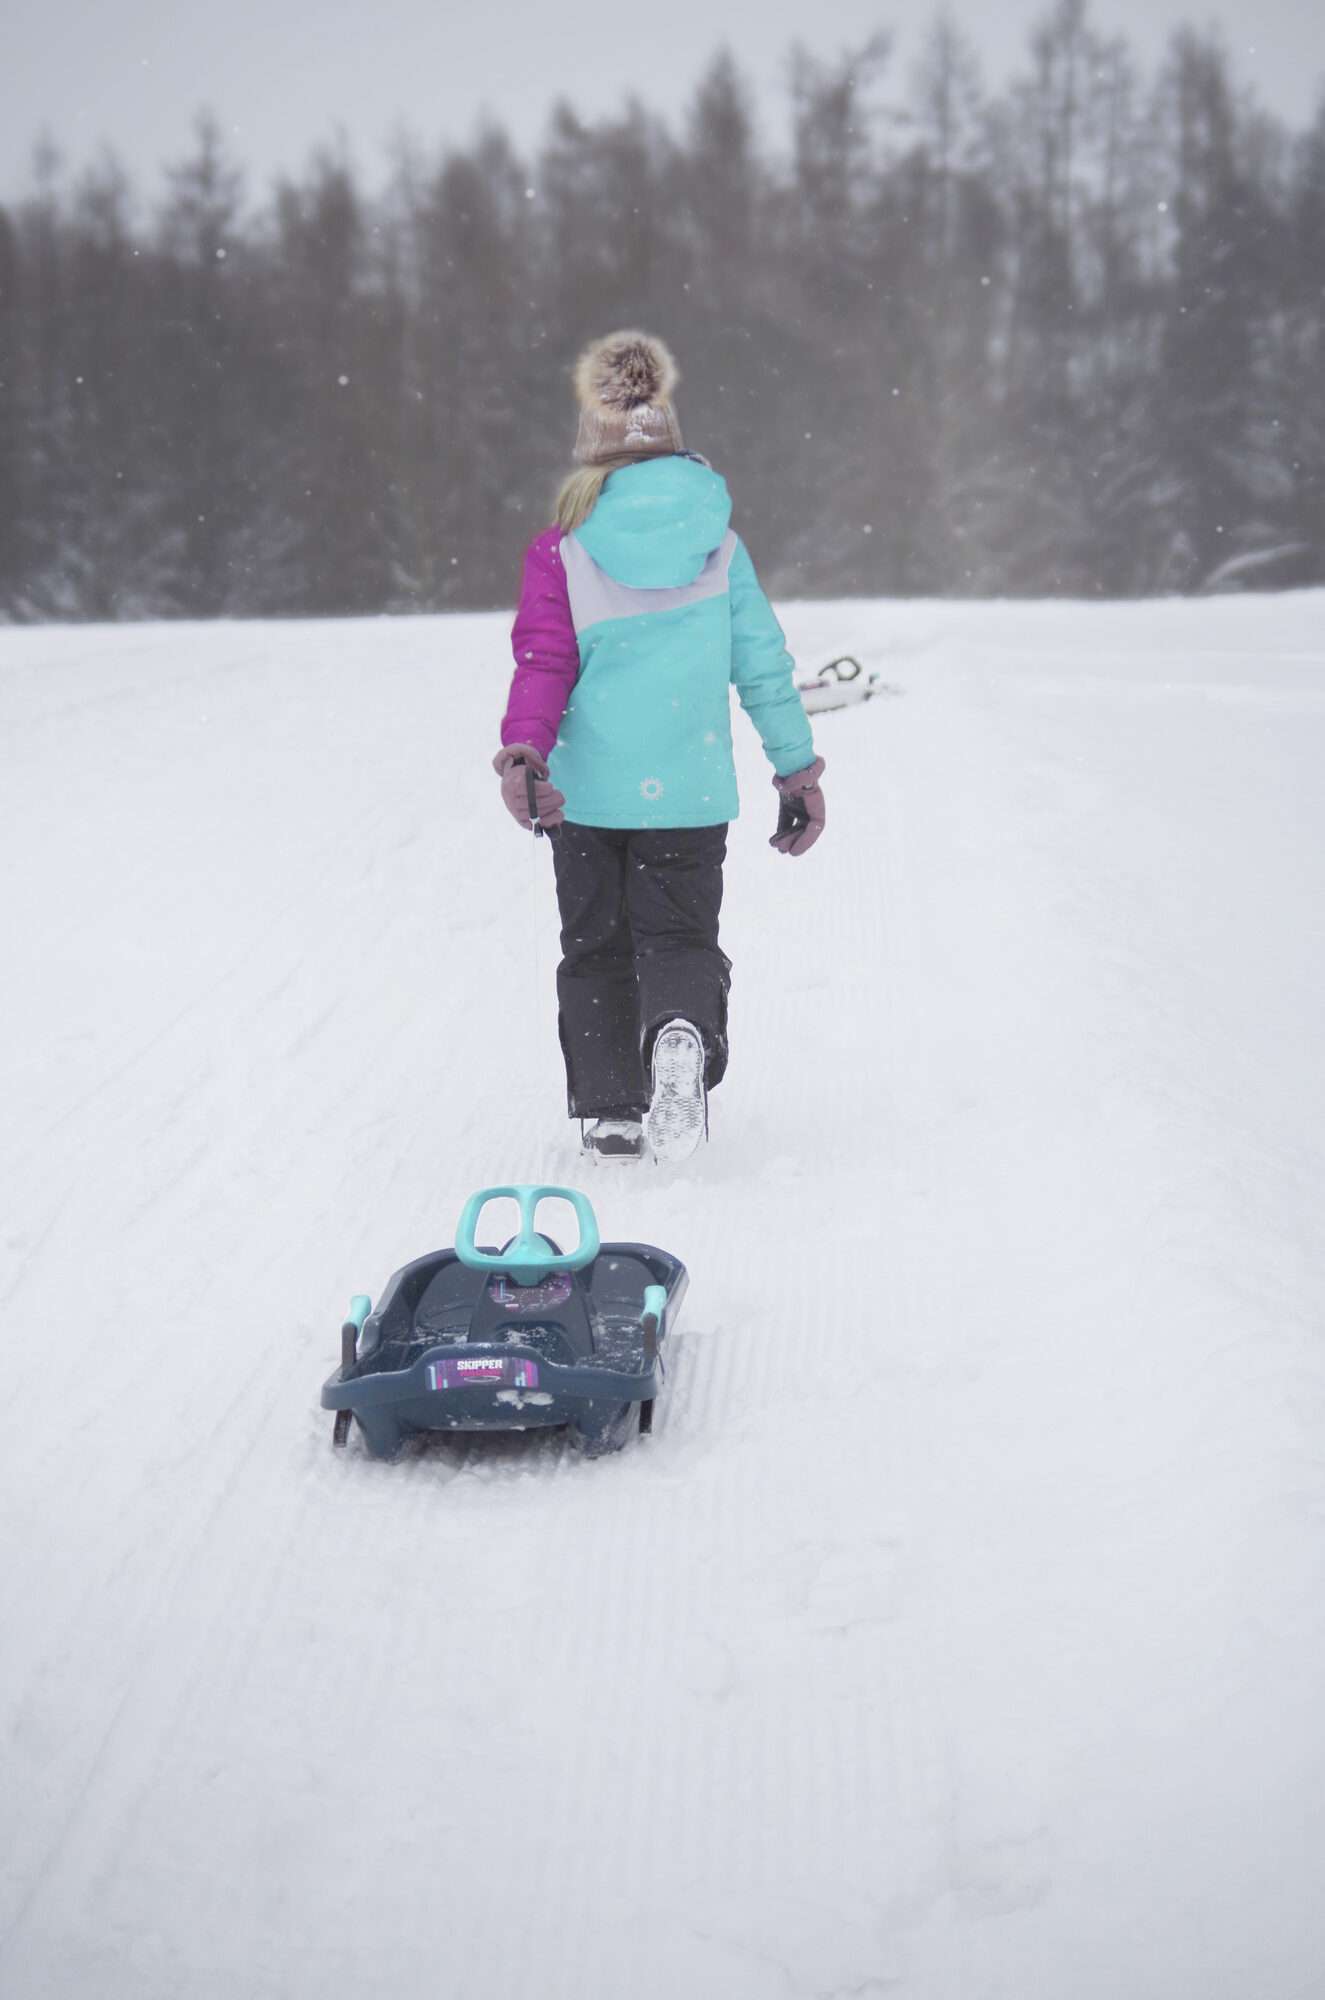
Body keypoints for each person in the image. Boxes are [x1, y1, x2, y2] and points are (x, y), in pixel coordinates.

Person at [495, 328, 825, 1165]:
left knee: (595, 945)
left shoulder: (561, 549)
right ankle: (677, 1029)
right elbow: (762, 665)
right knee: (678, 939)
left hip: (586, 793)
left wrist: (526, 752)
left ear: (590, 458)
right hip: (688, 788)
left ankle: (610, 1107)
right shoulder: (719, 542)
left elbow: (543, 660)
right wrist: (795, 768)